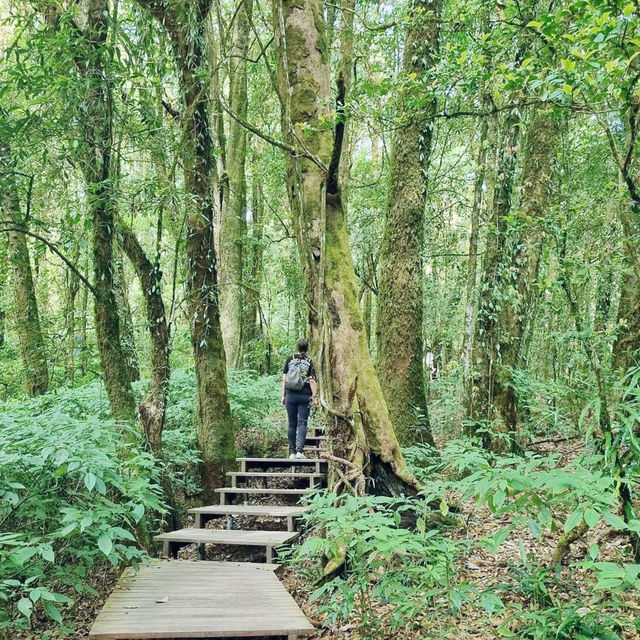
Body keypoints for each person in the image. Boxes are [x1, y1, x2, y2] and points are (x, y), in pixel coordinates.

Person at [282, 338, 318, 459]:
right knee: (302, 423)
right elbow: (312, 380)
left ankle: (291, 452)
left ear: (297, 348)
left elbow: (284, 379)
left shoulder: (289, 359)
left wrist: (283, 395)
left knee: (291, 424)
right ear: (307, 348)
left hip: (291, 395)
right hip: (305, 395)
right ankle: (299, 451)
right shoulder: (309, 361)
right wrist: (315, 396)